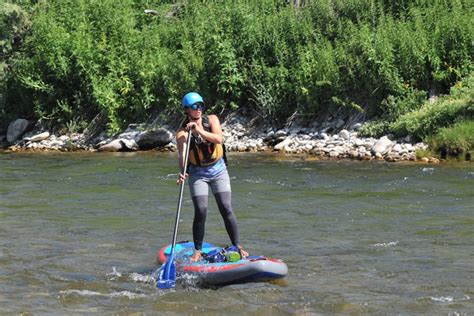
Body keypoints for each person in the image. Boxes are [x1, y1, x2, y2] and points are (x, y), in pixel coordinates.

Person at [176, 92, 249, 262]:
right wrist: (182, 172)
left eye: (201, 105)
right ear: (187, 110)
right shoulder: (182, 133)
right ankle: (197, 250)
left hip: (218, 169)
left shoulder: (212, 120)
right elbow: (183, 155)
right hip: (198, 173)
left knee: (226, 207)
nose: (199, 109)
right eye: (195, 107)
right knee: (201, 210)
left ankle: (238, 245)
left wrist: (199, 131)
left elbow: (218, 138)